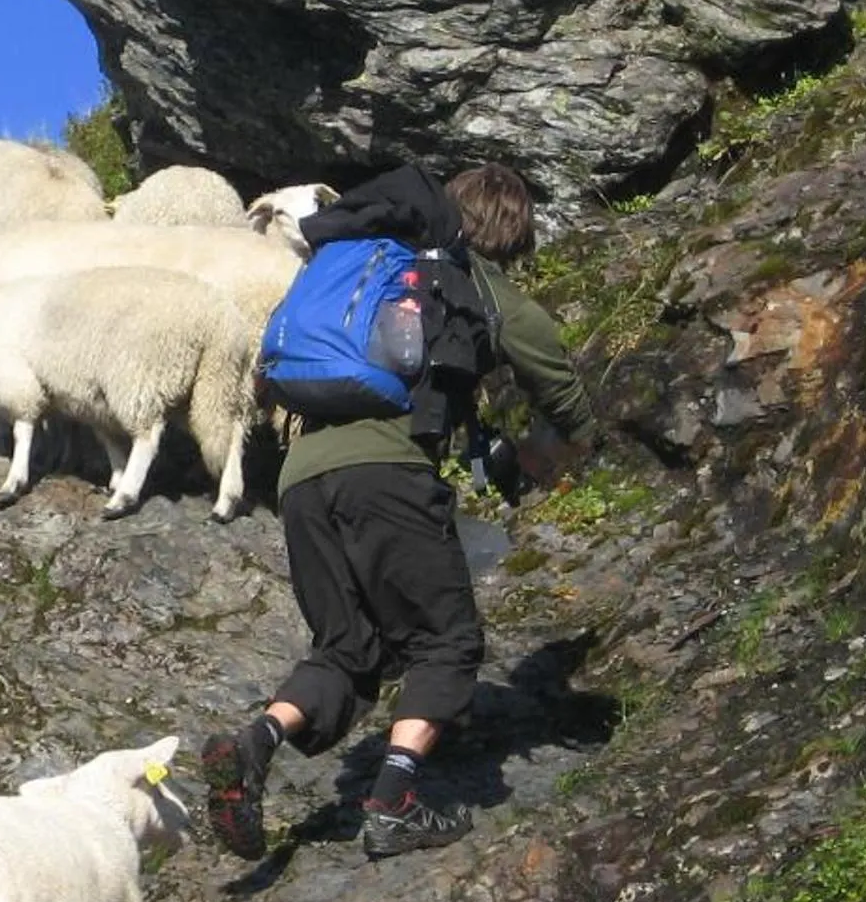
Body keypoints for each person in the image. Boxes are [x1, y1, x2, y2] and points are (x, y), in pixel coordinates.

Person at [201, 160, 595, 861]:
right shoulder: (477, 283)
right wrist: (581, 439)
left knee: (350, 650)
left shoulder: (374, 269)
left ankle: (255, 742)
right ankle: (394, 800)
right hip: (387, 476)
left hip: (302, 479)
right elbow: (557, 380)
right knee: (446, 642)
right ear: (509, 236)